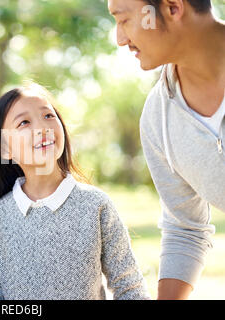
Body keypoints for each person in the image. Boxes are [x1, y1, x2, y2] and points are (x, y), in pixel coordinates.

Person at [0, 82, 150, 300]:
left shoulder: (96, 205)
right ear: (4, 149)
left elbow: (130, 287)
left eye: (48, 116)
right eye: (24, 122)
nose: (42, 128)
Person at [107, 0, 225, 299]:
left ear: (172, 7)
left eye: (124, 20)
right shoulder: (157, 119)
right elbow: (185, 230)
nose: (120, 39)